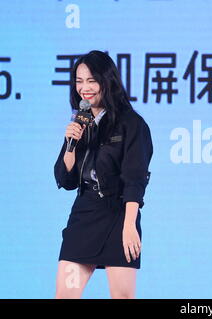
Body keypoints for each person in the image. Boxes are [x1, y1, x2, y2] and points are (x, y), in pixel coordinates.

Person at [54, 50, 153, 299]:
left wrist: (130, 225)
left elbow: (135, 178)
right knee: (64, 295)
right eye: (79, 81)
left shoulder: (132, 124)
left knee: (122, 296)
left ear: (107, 81)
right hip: (84, 215)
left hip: (119, 214)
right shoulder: (80, 121)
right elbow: (65, 180)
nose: (84, 88)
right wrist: (70, 143)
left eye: (91, 80)